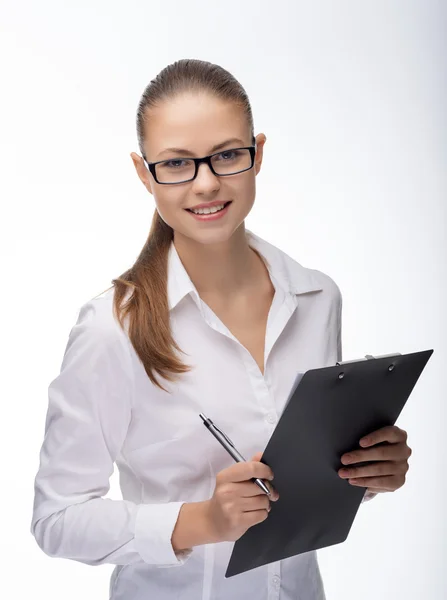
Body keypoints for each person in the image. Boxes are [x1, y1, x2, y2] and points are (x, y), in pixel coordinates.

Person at [30, 58, 412, 600]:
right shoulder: (112, 328)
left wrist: (369, 472)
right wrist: (202, 522)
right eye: (177, 163)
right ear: (144, 174)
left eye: (228, 155)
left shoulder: (318, 298)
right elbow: (57, 519)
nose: (206, 184)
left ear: (258, 154)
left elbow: (310, 474)